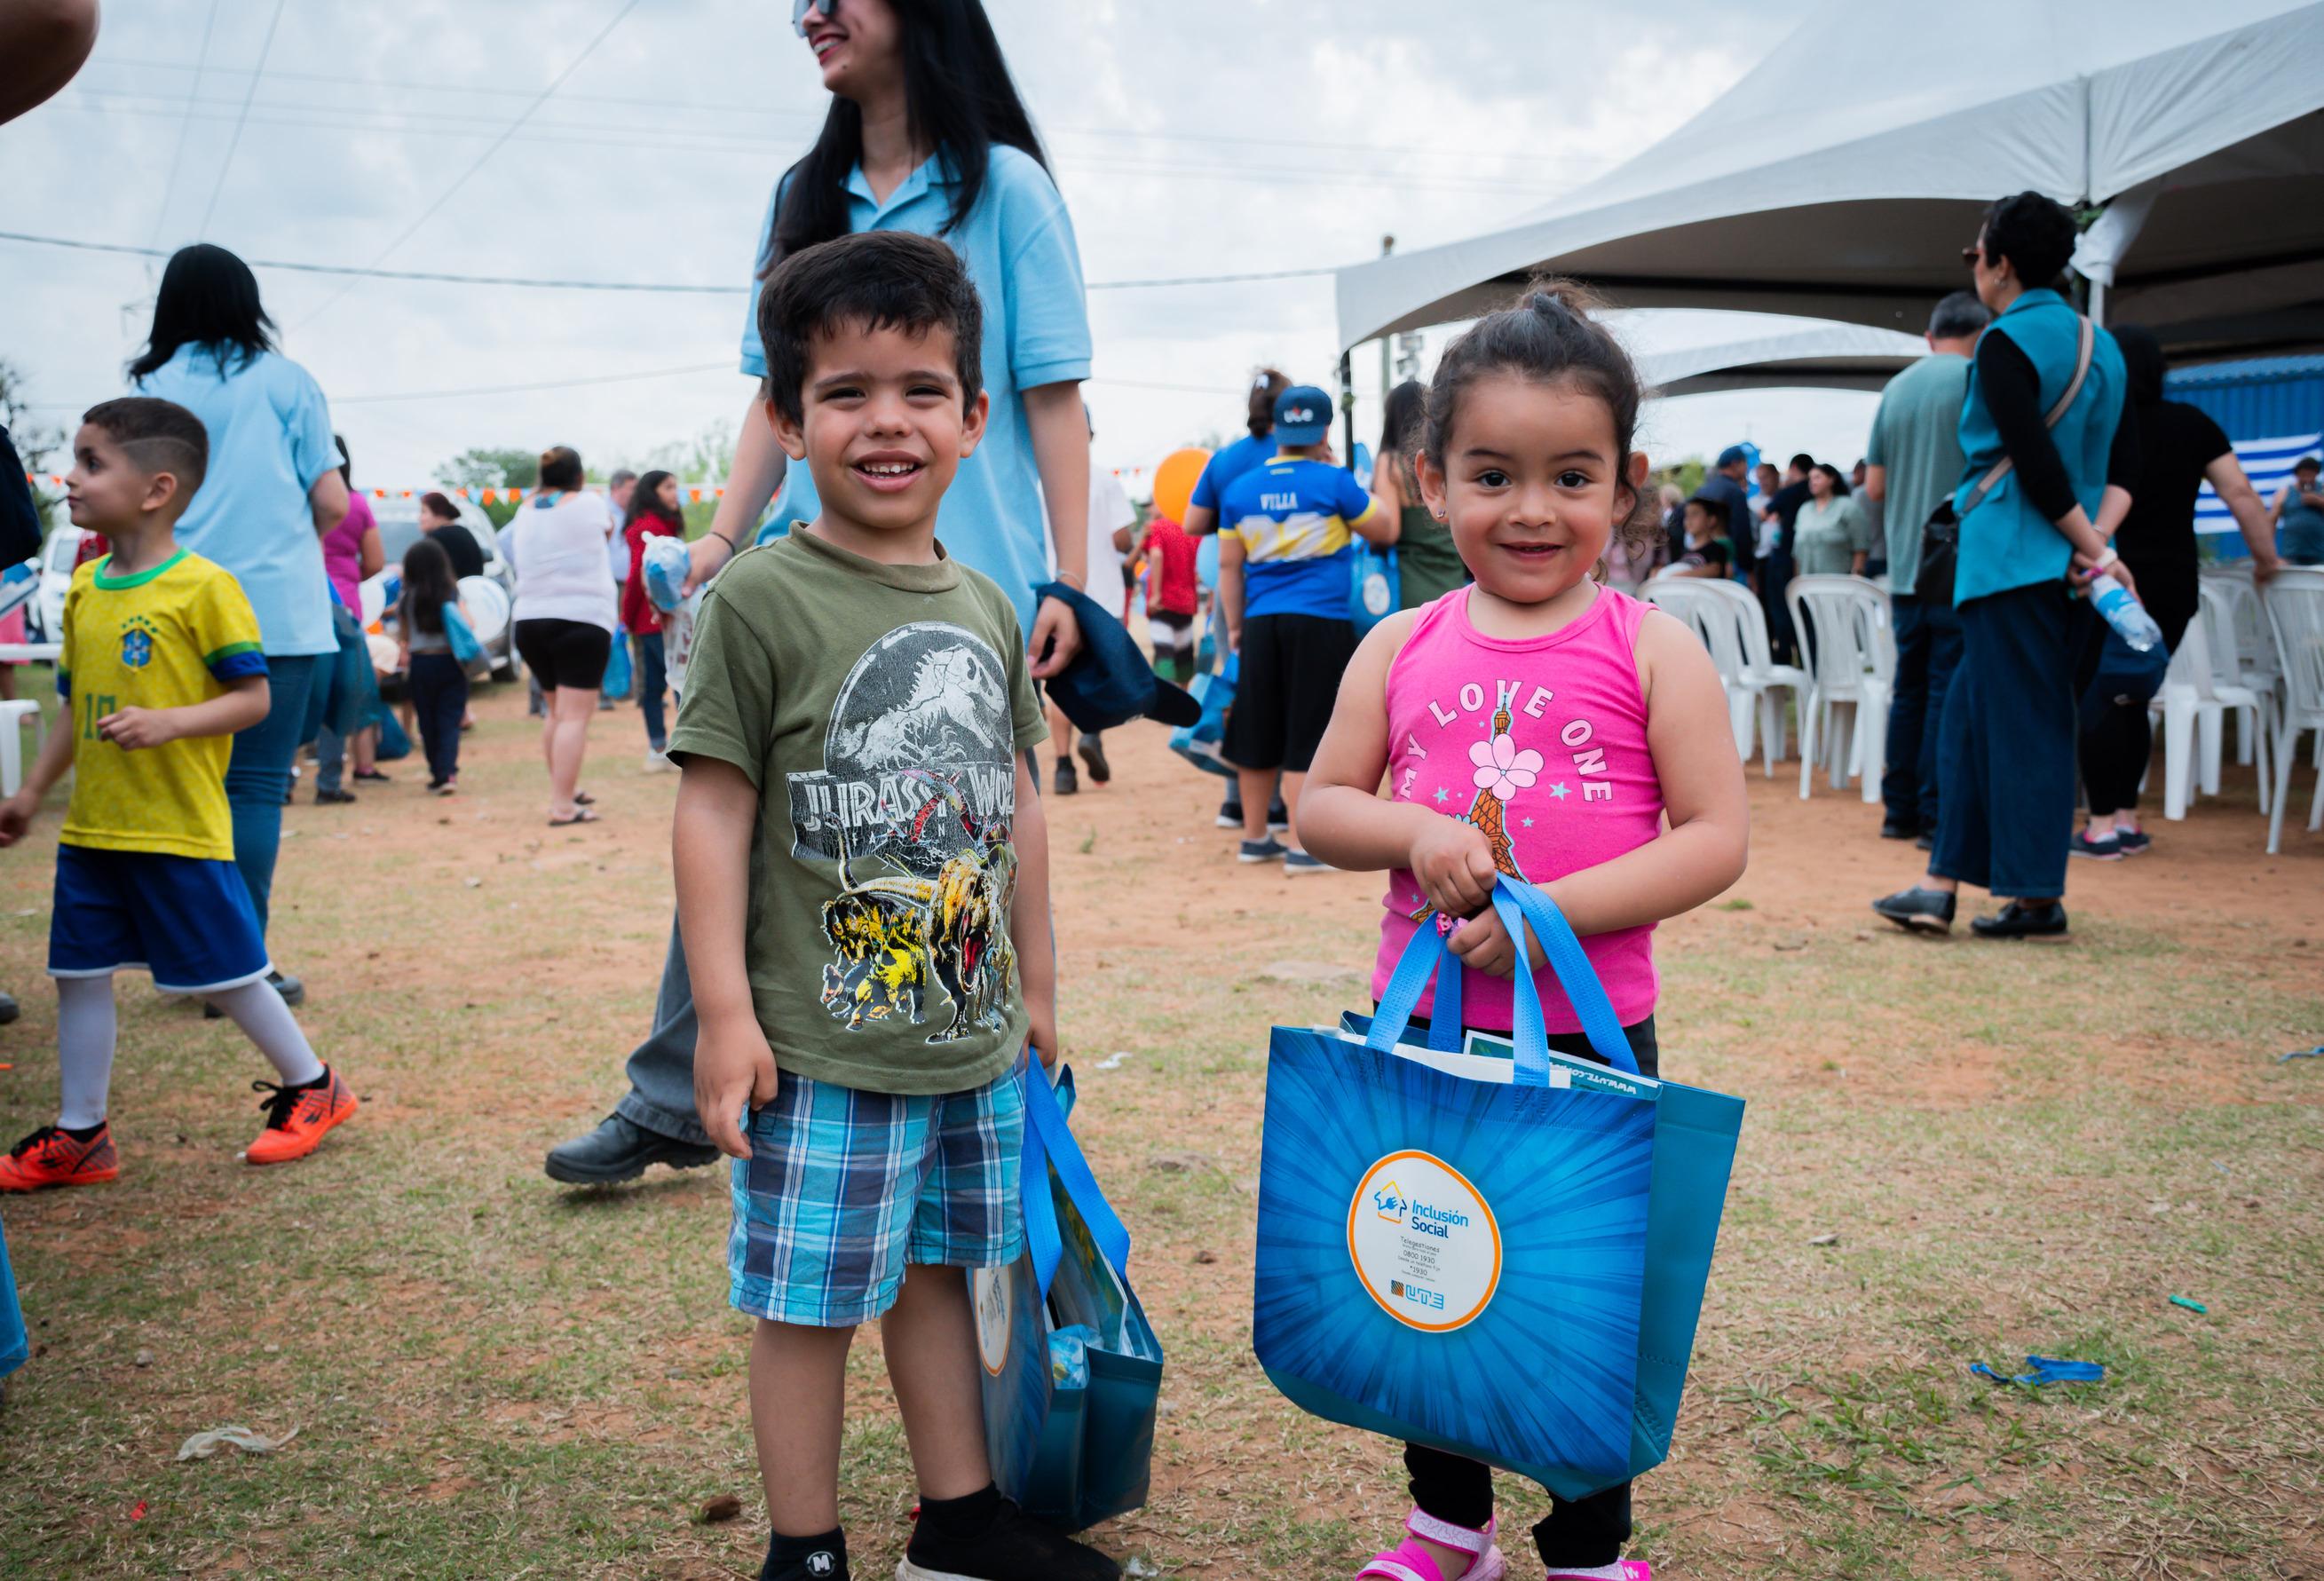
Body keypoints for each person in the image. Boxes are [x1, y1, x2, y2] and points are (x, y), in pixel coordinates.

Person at [547, 0, 1097, 1189]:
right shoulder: (802, 193)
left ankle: (974, 1082)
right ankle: (684, 1084)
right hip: (817, 581)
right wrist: (723, 539)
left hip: (968, 580)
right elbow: (768, 395)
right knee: (758, 824)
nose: (811, 13)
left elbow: (1052, 394)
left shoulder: (1007, 189)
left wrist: (1070, 579)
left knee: (958, 845)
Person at [672, 228, 1113, 1581]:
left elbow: (1018, 805)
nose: (886, 421)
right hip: (822, 1047)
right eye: (846, 391)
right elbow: (710, 807)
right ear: (786, 420)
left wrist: (1036, 990)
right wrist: (723, 1017)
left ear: (974, 420)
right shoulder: (756, 600)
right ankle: (804, 1549)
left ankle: (962, 1522)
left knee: (942, 1279)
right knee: (806, 1305)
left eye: (922, 388)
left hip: (968, 1039)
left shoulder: (986, 602)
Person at [1298, 281, 1748, 1581]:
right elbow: (1325, 802)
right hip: (1427, 1035)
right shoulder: (1399, 641)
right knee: (1418, 1278)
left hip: (1589, 1033)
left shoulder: (1651, 646)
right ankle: (1448, 1523)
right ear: (1432, 480)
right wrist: (1414, 836)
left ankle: (1589, 1546)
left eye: (1571, 476)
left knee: (1578, 1299)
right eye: (1492, 475)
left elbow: (1713, 836)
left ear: (1626, 484)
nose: (1532, 510)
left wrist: (1545, 921)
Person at [0, 399, 358, 1192]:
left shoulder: (205, 587)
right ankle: (81, 1132)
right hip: (94, 829)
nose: (70, 476)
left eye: (93, 463)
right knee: (77, 972)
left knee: (225, 974)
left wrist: (170, 722)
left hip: (175, 827)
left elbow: (254, 699)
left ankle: (314, 1084)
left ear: (157, 488)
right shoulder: (86, 586)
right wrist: (30, 790)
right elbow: (73, 706)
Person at [1874, 191, 2137, 940]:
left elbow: (2034, 463)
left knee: (2024, 726)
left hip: (2010, 560)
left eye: (1978, 251)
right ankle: (1938, 884)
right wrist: (2099, 548)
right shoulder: (2103, 343)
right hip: (2073, 565)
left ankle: (2033, 894)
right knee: (1968, 717)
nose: (1977, 266)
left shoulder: (2003, 342)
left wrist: (2089, 549)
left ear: (2002, 263)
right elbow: (2125, 463)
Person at [129, 244, 349, 1008]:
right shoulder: (288, 382)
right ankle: (240, 967)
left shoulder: (147, 388)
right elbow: (331, 501)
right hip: (277, 609)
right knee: (254, 786)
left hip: (166, 606)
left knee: (181, 789)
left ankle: (181, 956)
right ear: (247, 300)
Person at [2073, 325, 2285, 858]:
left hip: (2105, 578)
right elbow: (2239, 492)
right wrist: (2267, 561)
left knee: (2099, 695)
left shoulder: (2096, 426)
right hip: (2172, 582)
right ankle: (2126, 817)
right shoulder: (2193, 424)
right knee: (2134, 695)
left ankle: (2100, 827)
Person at [1215, 383, 1392, 874]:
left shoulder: (1239, 490)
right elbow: (1385, 529)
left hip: (1259, 622)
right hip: (1321, 621)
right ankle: (1300, 845)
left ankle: (1254, 838)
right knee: (1308, 729)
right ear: (1324, 431)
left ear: (1276, 429)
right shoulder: (1334, 483)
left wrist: (1234, 628)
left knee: (1257, 726)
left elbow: (1230, 567)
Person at [1866, 290, 1991, 844]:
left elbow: (1875, 486)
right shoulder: (1978, 381)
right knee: (1947, 689)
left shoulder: (1897, 388)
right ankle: (1936, 814)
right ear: (1983, 335)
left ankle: (1898, 812)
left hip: (1904, 569)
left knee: (1908, 689)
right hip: (1958, 565)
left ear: (1929, 336)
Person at [1182, 368, 1295, 833]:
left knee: (1238, 692)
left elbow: (1193, 522)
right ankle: (1278, 804)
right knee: (1292, 697)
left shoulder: (1227, 458)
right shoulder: (1302, 455)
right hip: (1292, 594)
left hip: (1233, 593)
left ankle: (1234, 801)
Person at [508, 446, 618, 826]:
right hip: (581, 619)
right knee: (574, 718)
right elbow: (608, 531)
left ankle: (564, 790)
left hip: (529, 620)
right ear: (580, 475)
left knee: (555, 712)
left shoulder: (526, 507)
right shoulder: (589, 502)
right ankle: (562, 805)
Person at [1052, 407, 1137, 794]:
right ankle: (1092, 735)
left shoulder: (1040, 481)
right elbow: (1122, 539)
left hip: (1057, 595)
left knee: (1059, 679)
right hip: (1101, 596)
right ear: (1090, 434)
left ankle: (1063, 768)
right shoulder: (1104, 480)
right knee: (1098, 675)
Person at [313, 436, 385, 806]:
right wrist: (345, 575)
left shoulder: (298, 504)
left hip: (299, 603)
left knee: (292, 690)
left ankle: (281, 781)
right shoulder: (356, 505)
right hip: (343, 607)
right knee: (337, 695)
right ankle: (328, 781)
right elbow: (375, 560)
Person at [1373, 376, 1467, 608]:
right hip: (1454, 579)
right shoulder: (1443, 460)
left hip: (1411, 583)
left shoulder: (1390, 464)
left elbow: (1389, 531)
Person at [621, 469, 685, 771]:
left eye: (676, 486)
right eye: (668, 487)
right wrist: (627, 617)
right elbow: (637, 576)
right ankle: (667, 748)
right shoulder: (648, 528)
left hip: (667, 620)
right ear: (652, 492)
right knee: (672, 683)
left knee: (665, 684)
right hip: (653, 620)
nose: (676, 493)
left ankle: (665, 747)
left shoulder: (664, 525)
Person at [396, 536, 470, 794]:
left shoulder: (407, 597)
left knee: (427, 721)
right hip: (450, 662)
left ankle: (437, 772)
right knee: (449, 719)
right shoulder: (450, 593)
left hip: (421, 663)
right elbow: (467, 624)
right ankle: (448, 772)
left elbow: (404, 636)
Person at [1141, 509, 1199, 682]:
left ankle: (1166, 703)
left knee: (1164, 655)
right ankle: (1184, 703)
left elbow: (1155, 555)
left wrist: (1156, 594)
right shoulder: (1191, 529)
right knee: (1184, 658)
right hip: (1187, 602)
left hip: (1163, 602)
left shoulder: (1158, 527)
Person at [1790, 462, 1873, 576]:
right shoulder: (1805, 509)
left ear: (1831, 479)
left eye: (1817, 477)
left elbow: (1861, 544)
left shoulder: (1848, 507)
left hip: (1839, 580)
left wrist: (1857, 575)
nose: (1812, 482)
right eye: (1811, 479)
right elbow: (1797, 550)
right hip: (1808, 581)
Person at [1696, 445, 1754, 587]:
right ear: (1735, 464)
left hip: (1701, 563)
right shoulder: (1735, 492)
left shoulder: (1702, 490)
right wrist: (1749, 569)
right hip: (1730, 565)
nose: (1747, 468)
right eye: (1745, 463)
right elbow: (1742, 533)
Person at [418, 490, 487, 580]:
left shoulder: (436, 538)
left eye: (424, 512)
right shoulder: (464, 532)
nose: (420, 518)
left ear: (439, 513)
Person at [2271, 455, 2324, 565]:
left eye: (2310, 475)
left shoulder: (2322, 489)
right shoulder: (2285, 492)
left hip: (2320, 553)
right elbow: (2272, 520)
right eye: (2304, 475)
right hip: (2292, 553)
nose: (2307, 479)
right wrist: (2270, 552)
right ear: (2297, 475)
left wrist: (2319, 502)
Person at [1670, 494, 1735, 577]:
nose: (1689, 519)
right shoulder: (1684, 550)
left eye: (1694, 514)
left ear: (1711, 520)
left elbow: (1714, 570)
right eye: (1687, 515)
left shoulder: (1716, 549)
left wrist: (1681, 576)